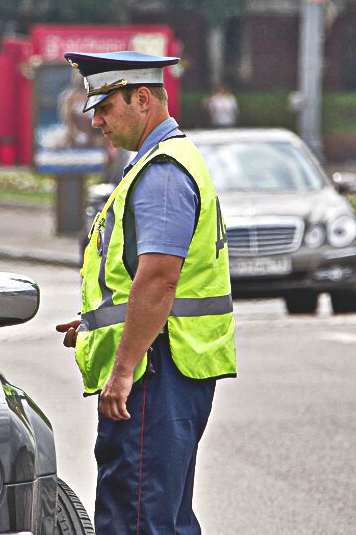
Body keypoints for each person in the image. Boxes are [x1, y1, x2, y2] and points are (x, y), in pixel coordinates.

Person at [55, 51, 237, 535]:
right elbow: (142, 279)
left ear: (142, 98)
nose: (96, 121)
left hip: (155, 371)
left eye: (105, 107)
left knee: (137, 518)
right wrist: (96, 320)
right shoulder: (167, 163)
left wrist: (122, 370)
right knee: (162, 517)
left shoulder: (160, 174)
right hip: (171, 367)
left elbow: (159, 279)